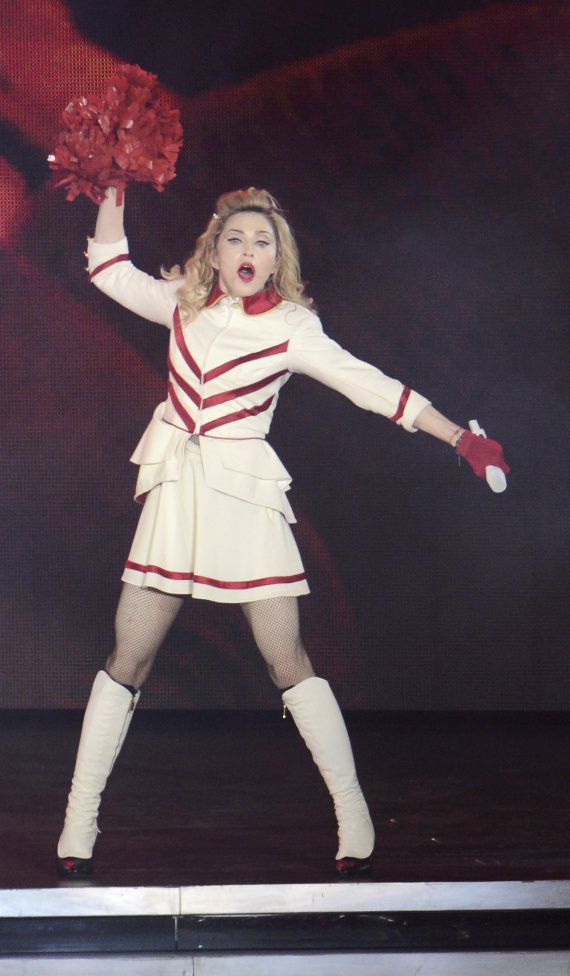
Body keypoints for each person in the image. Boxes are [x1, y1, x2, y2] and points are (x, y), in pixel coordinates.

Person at [56, 186, 509, 879]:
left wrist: (460, 439)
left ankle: (353, 815)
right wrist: (114, 180)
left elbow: (371, 386)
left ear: (276, 260)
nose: (248, 250)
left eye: (262, 242)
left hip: (244, 502)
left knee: (286, 659)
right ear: (215, 251)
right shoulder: (183, 304)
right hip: (177, 495)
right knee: (129, 658)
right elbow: (109, 269)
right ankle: (78, 821)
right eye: (235, 239)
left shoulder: (294, 328)